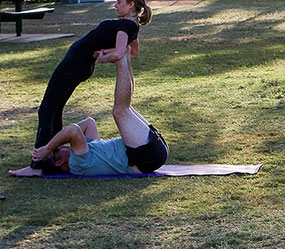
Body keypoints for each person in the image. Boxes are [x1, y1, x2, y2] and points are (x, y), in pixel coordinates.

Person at [28, 0, 151, 173]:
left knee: (47, 109)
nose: (115, 5)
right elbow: (132, 52)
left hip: (75, 63)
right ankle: (52, 155)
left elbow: (121, 52)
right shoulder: (130, 26)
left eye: (119, 2)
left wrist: (103, 56)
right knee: (55, 108)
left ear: (131, 4)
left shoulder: (126, 26)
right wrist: (103, 52)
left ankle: (38, 165)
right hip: (80, 64)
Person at [11, 54, 168, 178]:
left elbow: (89, 123)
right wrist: (47, 148)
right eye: (59, 150)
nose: (63, 146)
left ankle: (125, 56)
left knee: (125, 107)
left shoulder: (86, 151)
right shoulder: (78, 164)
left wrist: (51, 147)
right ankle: (121, 59)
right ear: (59, 161)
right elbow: (73, 130)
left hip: (148, 150)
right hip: (143, 156)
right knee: (120, 111)